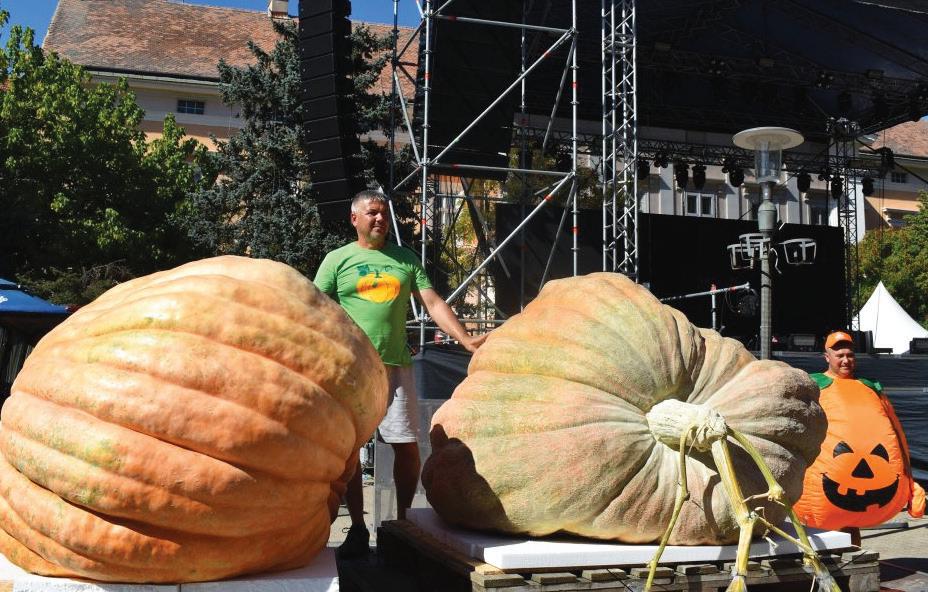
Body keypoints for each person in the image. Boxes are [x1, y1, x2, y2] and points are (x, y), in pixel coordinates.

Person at [313, 190, 487, 558]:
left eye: (383, 214)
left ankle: (403, 525)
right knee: (350, 452)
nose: (380, 219)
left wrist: (465, 339)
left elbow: (433, 303)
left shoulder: (405, 259)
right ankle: (357, 528)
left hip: (395, 366)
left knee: (406, 446)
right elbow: (315, 308)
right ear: (355, 219)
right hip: (352, 369)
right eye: (372, 213)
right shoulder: (337, 260)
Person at [793, 331, 925, 546]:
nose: (846, 360)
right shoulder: (815, 385)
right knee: (820, 526)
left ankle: (853, 557)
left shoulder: (869, 387)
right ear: (827, 357)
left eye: (850, 355)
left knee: (851, 525)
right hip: (826, 476)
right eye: (840, 356)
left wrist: (909, 480)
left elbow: (897, 433)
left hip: (873, 475)